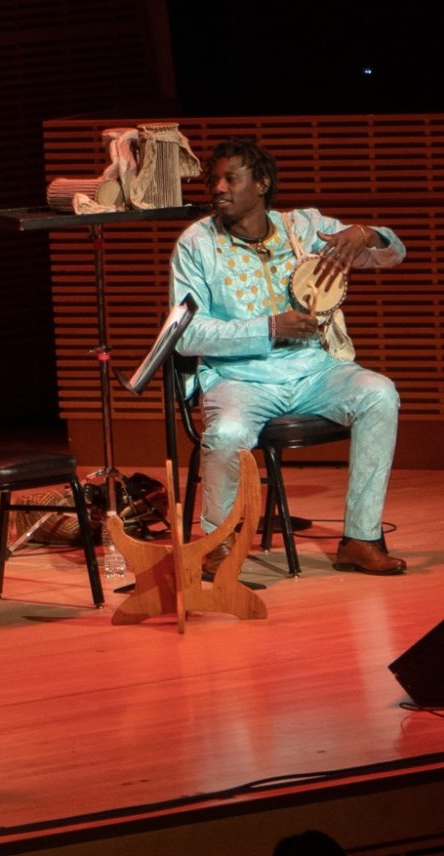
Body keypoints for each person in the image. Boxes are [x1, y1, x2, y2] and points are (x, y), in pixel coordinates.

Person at [169, 137, 407, 577]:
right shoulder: (197, 243)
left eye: (230, 178)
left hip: (316, 371)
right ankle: (216, 546)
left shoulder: (305, 227)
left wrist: (366, 233)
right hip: (239, 379)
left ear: (261, 183)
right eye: (213, 179)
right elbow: (188, 334)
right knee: (226, 435)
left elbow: (393, 255)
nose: (218, 188)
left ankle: (360, 538)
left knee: (379, 394)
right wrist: (270, 328)